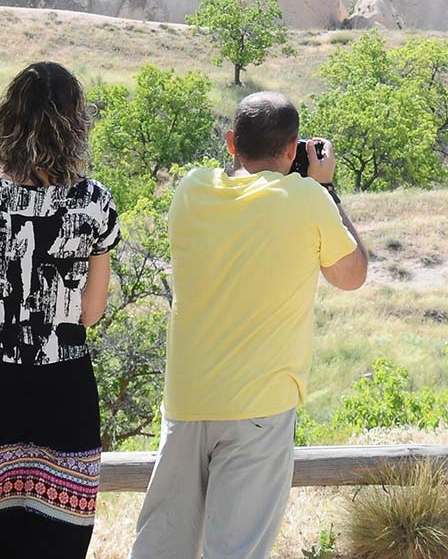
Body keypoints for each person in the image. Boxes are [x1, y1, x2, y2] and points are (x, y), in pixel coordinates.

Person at [130, 92, 368, 559]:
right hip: (260, 405)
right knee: (235, 551)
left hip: (187, 401)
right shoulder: (307, 199)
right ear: (293, 147)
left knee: (161, 546)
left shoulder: (191, 189)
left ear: (231, 142)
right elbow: (352, 275)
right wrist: (326, 187)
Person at [0, 62, 120, 559]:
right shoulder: (94, 203)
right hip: (64, 389)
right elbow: (90, 313)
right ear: (76, 125)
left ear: (8, 118)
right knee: (54, 539)